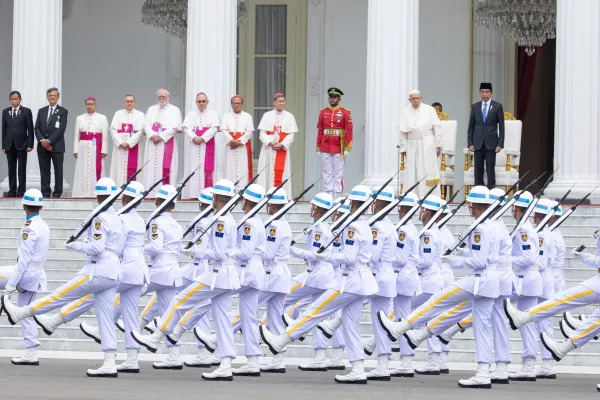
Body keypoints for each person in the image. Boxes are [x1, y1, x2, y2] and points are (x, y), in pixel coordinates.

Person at [378, 186, 500, 389]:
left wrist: (455, 260)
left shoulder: (479, 228)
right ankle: (483, 372)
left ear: (472, 205)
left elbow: (478, 261)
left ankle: (402, 326)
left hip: (479, 279)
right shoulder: (490, 227)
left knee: (437, 301)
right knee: (481, 327)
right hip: (489, 280)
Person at [3, 178, 123, 377]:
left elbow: (97, 247)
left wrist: (76, 245)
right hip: (113, 272)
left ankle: (21, 313)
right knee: (105, 317)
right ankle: (110, 361)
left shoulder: (100, 218)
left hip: (98, 269)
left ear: (98, 196)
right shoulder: (117, 217)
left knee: (59, 296)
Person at [260, 185, 378, 384]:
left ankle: (281, 340)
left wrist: (325, 255)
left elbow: (348, 258)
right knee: (350, 324)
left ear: (354, 203)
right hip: (358, 280)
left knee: (314, 311)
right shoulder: (362, 225)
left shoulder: (352, 227)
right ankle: (358, 368)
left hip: (348, 281)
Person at [34, 181, 149, 373]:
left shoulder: (121, 219)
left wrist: (84, 244)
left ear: (126, 198)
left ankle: (55, 320)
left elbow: (111, 245)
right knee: (130, 314)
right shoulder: (138, 219)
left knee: (89, 297)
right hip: (140, 271)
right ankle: (132, 358)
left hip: (124, 268)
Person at [132, 179, 240, 381]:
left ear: (216, 198)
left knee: (178, 301)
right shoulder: (226, 219)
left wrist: (197, 250)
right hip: (224, 276)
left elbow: (217, 253)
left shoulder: (221, 221)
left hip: (216, 275)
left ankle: (156, 337)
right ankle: (226, 364)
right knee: (222, 320)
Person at [286, 192, 335, 372]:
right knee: (318, 315)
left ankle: (288, 327)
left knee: (282, 295)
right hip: (322, 276)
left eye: (313, 206)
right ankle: (320, 356)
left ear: (318, 208)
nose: (311, 208)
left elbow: (316, 254)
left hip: (317, 276)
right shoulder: (321, 226)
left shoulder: (319, 228)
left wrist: (293, 251)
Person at [0, 189, 48, 365]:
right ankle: (32, 351)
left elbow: (23, 261)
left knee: (25, 311)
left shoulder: (29, 228)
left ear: (24, 206)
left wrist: (11, 285)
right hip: (35, 274)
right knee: (25, 312)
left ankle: (32, 352)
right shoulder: (43, 225)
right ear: (41, 206)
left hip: (25, 274)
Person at [399, 90, 442, 198]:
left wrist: (438, 145)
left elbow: (437, 127)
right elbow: (403, 132)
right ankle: (412, 196)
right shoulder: (405, 111)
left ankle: (429, 196)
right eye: (413, 99)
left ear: (421, 98)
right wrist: (403, 149)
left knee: (426, 170)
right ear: (410, 100)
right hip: (412, 145)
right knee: (412, 172)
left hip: (427, 144)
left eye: (417, 98)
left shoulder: (430, 109)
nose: (416, 100)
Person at [257, 93, 298, 197]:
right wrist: (270, 142)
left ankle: (281, 196)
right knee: (266, 172)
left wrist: (282, 144)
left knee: (282, 173)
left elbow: (291, 135)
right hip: (268, 150)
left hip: (282, 149)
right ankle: (265, 196)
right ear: (274, 103)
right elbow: (262, 134)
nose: (281, 103)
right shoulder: (267, 115)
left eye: (283, 101)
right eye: (279, 101)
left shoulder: (290, 116)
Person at [142, 89, 182, 194]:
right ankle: (150, 194)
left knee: (165, 168)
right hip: (152, 143)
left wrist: (160, 137)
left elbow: (174, 127)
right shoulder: (151, 109)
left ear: (168, 97)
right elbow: (146, 125)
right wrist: (152, 135)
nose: (161, 98)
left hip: (166, 142)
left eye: (164, 96)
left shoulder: (175, 110)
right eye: (159, 97)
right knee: (151, 167)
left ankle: (165, 193)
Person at [316, 87, 353, 198]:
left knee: (338, 172)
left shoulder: (345, 112)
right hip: (325, 144)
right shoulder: (323, 112)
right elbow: (320, 130)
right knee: (327, 171)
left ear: (339, 99)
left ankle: (337, 195)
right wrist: (318, 146)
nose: (332, 99)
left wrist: (348, 147)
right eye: (330, 97)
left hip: (339, 145)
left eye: (334, 97)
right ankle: (328, 194)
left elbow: (349, 130)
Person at [181, 92, 220, 199]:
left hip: (207, 145)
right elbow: (185, 128)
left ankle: (208, 194)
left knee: (207, 170)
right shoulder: (190, 114)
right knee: (193, 168)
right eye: (199, 101)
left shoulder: (212, 113)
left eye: (204, 101)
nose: (201, 103)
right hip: (194, 147)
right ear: (196, 102)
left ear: (207, 102)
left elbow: (215, 128)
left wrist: (202, 138)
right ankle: (192, 195)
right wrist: (194, 137)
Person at [467, 82, 505, 189]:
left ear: (491, 93)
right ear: (480, 93)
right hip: (477, 143)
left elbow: (502, 127)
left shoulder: (497, 106)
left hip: (491, 143)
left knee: (490, 169)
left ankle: (490, 192)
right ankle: (479, 192)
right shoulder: (475, 107)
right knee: (478, 169)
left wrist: (500, 144)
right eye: (482, 92)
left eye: (487, 92)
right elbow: (471, 126)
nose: (484, 94)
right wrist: (470, 142)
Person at [72, 96, 109, 198]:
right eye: (87, 104)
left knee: (95, 169)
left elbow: (105, 136)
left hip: (96, 147)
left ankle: (94, 192)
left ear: (95, 105)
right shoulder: (79, 118)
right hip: (83, 147)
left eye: (91, 104)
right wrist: (75, 149)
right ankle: (81, 193)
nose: (89, 106)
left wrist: (104, 150)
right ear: (85, 105)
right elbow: (76, 136)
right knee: (82, 170)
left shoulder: (102, 118)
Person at [35, 87, 67, 198]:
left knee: (58, 170)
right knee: (44, 170)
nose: (52, 97)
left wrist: (49, 141)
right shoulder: (41, 111)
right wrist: (42, 141)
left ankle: (57, 193)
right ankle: (45, 192)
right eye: (50, 95)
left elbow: (61, 129)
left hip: (57, 146)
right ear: (47, 97)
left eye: (54, 95)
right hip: (42, 146)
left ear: (58, 97)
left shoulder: (63, 111)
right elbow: (37, 128)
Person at [109, 94, 145, 188]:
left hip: (133, 147)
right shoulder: (118, 113)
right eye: (127, 101)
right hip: (120, 148)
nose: (129, 103)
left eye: (131, 101)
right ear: (124, 103)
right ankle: (118, 189)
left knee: (134, 168)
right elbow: (113, 130)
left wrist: (128, 143)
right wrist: (120, 142)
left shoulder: (140, 115)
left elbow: (141, 131)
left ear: (134, 103)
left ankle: (132, 190)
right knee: (119, 168)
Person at [2, 91, 34, 197]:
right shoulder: (6, 112)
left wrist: (30, 144)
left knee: (21, 168)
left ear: (20, 99)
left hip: (22, 144)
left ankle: (21, 190)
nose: (14, 101)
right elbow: (4, 129)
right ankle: (12, 190)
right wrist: (3, 145)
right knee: (11, 168)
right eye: (12, 99)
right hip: (9, 145)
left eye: (16, 99)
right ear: (10, 100)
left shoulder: (26, 111)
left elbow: (30, 128)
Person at [220, 95, 254, 191]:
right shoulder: (226, 116)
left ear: (242, 104)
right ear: (231, 104)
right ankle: (229, 191)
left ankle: (243, 191)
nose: (236, 105)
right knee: (229, 169)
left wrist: (239, 142)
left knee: (243, 169)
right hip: (230, 146)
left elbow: (249, 132)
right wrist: (232, 141)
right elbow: (224, 130)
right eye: (234, 103)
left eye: (238, 103)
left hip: (243, 147)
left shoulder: (248, 116)